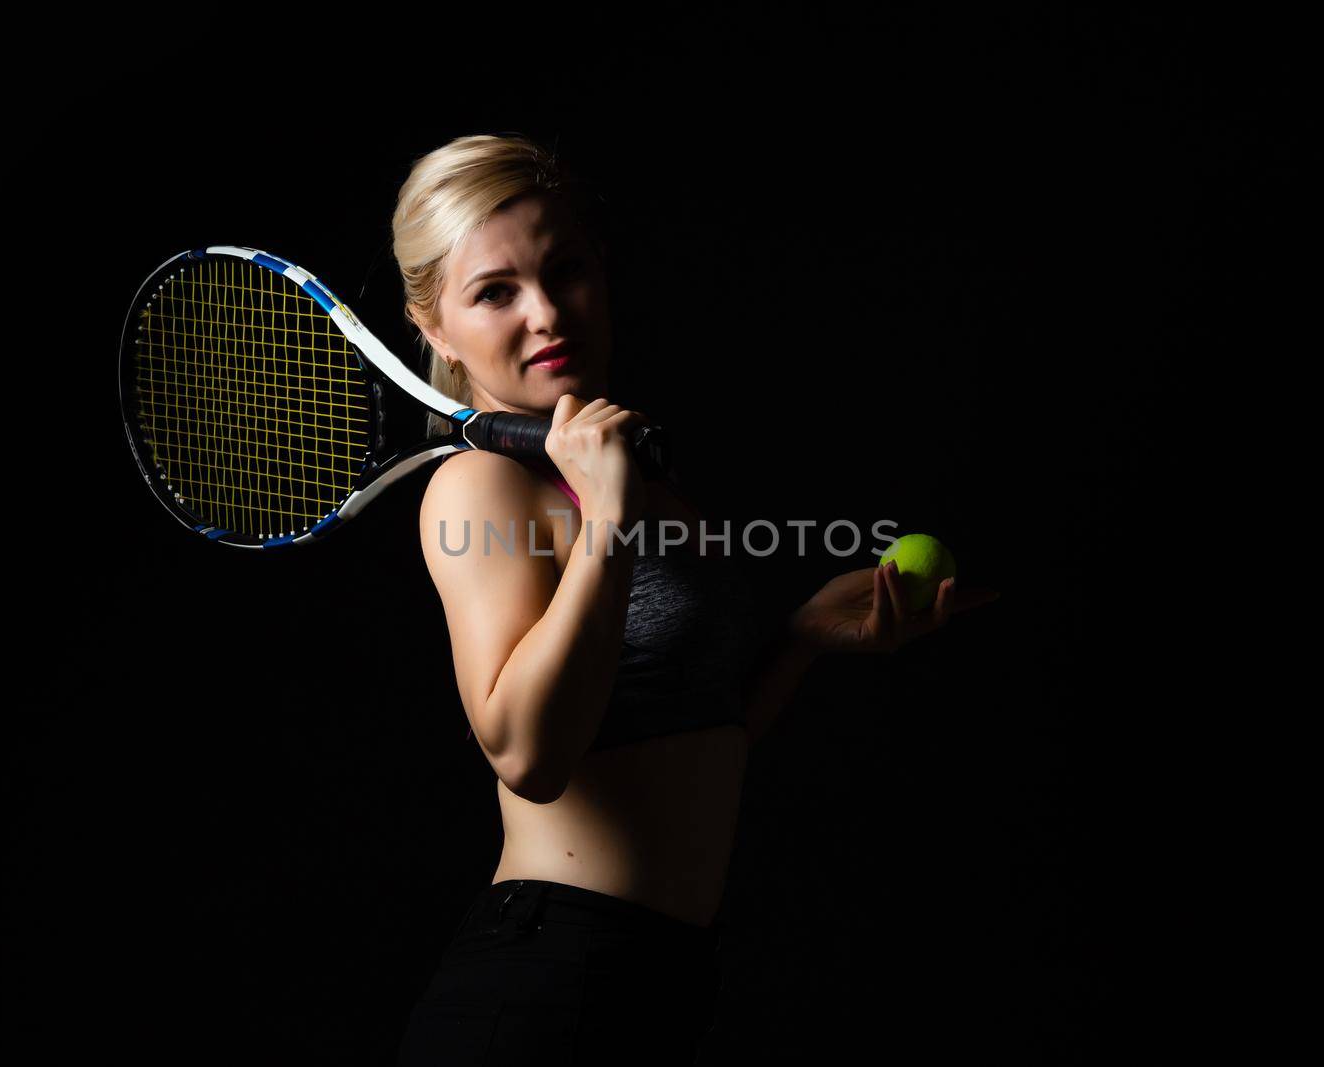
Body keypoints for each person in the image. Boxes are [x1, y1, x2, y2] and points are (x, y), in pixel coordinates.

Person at [393, 134, 998, 1065]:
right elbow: (527, 754)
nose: (547, 312)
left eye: (567, 269)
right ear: (433, 327)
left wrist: (798, 640)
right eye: (495, 291)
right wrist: (607, 515)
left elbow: (683, 743)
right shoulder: (480, 489)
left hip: (659, 984)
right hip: (545, 986)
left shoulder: (648, 486)